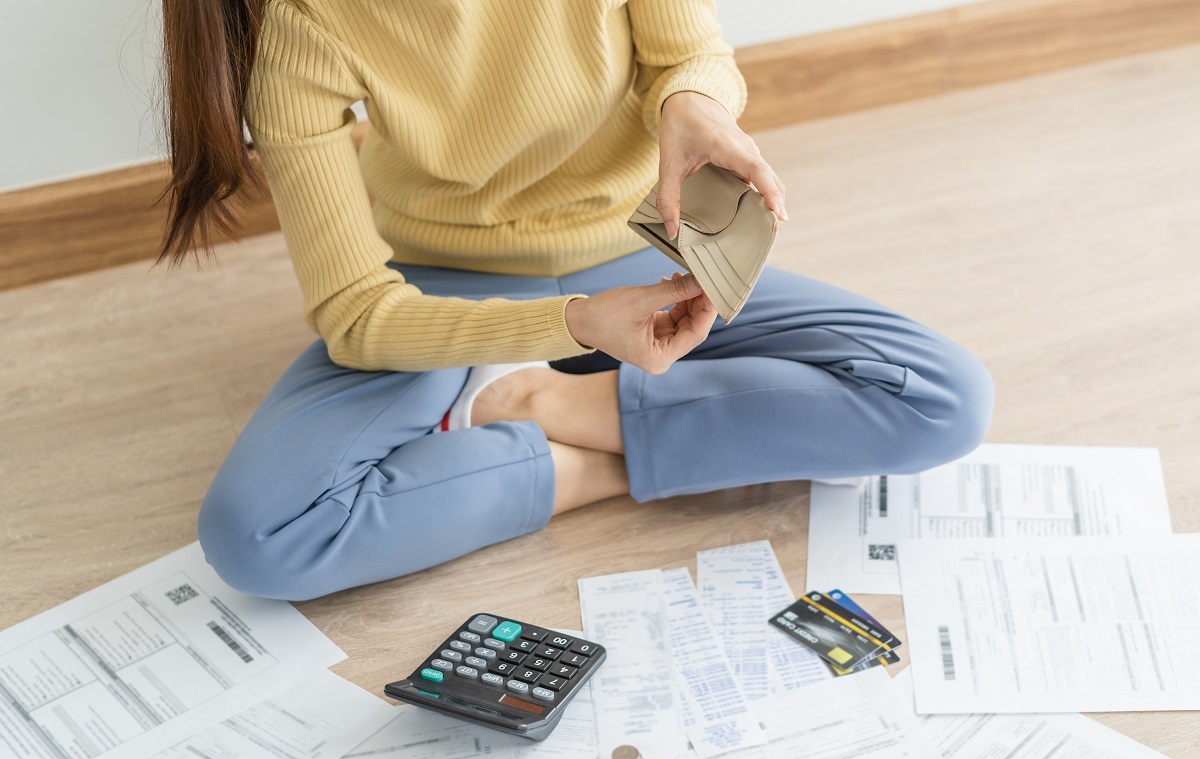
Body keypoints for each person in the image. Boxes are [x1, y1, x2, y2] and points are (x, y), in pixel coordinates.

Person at [158, 0, 993, 601]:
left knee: (944, 400)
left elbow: (689, 53)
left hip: (644, 250)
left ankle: (548, 402)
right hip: (449, 281)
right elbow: (355, 314)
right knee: (256, 537)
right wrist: (570, 324)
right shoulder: (303, 26)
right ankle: (590, 463)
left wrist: (694, 104)